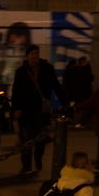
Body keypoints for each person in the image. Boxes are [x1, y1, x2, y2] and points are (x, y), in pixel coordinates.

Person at [11, 44, 62, 175]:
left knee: (40, 140)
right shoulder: (21, 72)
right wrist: (16, 108)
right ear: (27, 56)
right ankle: (26, 166)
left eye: (36, 53)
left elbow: (56, 86)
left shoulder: (47, 69)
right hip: (26, 111)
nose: (35, 56)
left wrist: (64, 102)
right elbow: (16, 91)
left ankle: (38, 159)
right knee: (26, 140)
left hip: (41, 111)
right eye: (32, 54)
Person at [63, 56, 94, 128]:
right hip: (84, 93)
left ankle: (72, 121)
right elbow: (90, 78)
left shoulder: (69, 69)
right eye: (86, 61)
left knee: (75, 107)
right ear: (82, 62)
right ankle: (80, 122)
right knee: (83, 108)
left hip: (73, 93)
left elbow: (67, 82)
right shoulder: (84, 70)